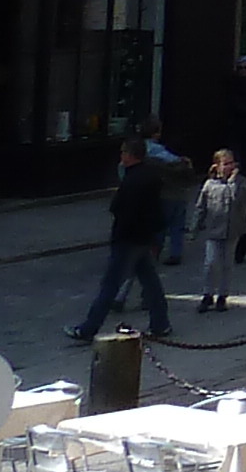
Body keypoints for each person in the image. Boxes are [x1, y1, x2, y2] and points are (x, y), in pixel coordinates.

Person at [66, 137, 176, 341]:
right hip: (144, 238)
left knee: (110, 285)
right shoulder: (150, 176)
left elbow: (120, 209)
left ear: (130, 155)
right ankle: (161, 323)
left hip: (128, 239)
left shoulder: (133, 180)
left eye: (123, 152)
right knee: (150, 281)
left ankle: (88, 329)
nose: (121, 156)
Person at [191, 148, 246, 310]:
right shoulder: (210, 184)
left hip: (232, 229)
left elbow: (241, 201)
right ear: (217, 166)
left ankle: (222, 295)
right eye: (225, 164)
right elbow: (200, 207)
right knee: (210, 263)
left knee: (227, 264)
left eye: (232, 163)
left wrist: (232, 181)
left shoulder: (241, 183)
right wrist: (194, 227)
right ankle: (207, 294)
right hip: (214, 229)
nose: (229, 167)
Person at [146, 120, 196, 266]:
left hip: (164, 193)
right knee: (177, 225)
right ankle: (175, 253)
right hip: (179, 192)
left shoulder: (147, 152)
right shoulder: (169, 156)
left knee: (161, 225)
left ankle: (155, 252)